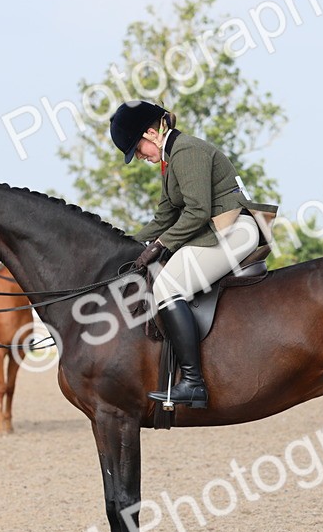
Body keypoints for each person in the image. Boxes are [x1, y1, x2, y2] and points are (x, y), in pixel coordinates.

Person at [110, 100, 277, 409]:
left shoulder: (186, 151)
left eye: (138, 149)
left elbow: (198, 211)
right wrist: (126, 246)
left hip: (234, 229)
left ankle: (192, 383)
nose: (141, 157)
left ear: (151, 132)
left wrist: (159, 246)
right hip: (215, 229)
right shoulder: (172, 159)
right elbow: (164, 217)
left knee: (168, 287)